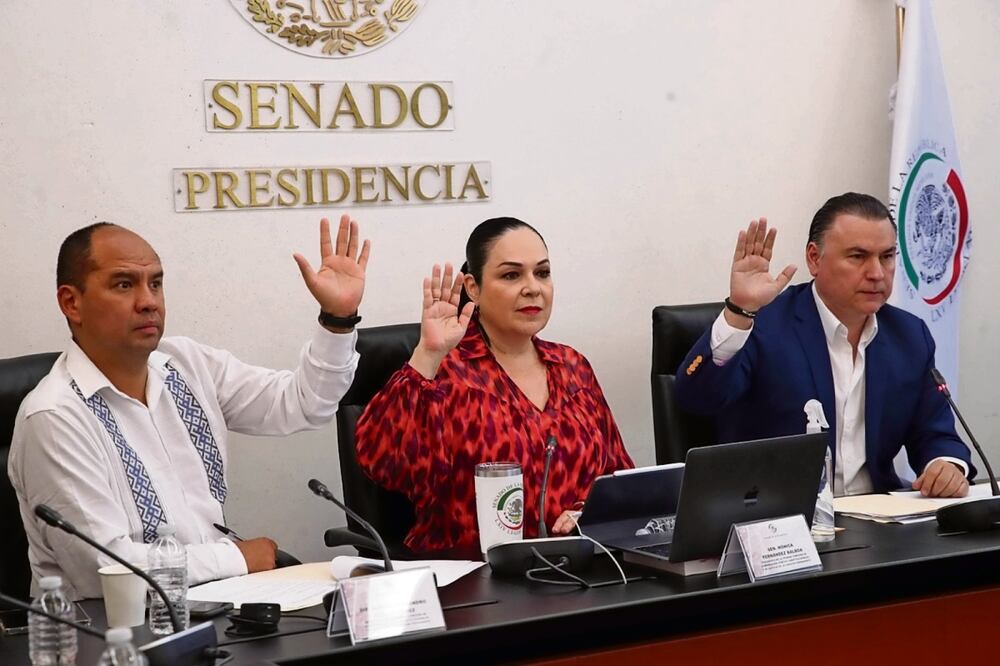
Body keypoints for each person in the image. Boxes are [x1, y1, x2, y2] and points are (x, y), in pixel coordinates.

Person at [9, 215, 370, 599]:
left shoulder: (185, 363)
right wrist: (235, 559)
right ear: (72, 302)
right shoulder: (53, 416)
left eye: (156, 284)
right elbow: (105, 570)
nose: (148, 301)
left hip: (216, 605)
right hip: (111, 632)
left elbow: (303, 404)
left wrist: (338, 320)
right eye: (124, 284)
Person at [355, 217, 633, 557]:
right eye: (511, 275)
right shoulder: (445, 372)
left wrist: (588, 512)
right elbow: (380, 460)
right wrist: (427, 356)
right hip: (474, 579)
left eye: (542, 273)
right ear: (473, 287)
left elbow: (619, 478)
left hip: (578, 567)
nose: (533, 288)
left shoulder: (572, 367)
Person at [674, 193, 973, 498]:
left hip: (881, 521)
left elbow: (936, 434)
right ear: (814, 259)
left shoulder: (909, 335)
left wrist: (946, 464)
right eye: (858, 257)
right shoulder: (763, 325)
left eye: (887, 256)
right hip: (783, 523)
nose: (877, 273)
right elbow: (696, 399)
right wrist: (739, 313)